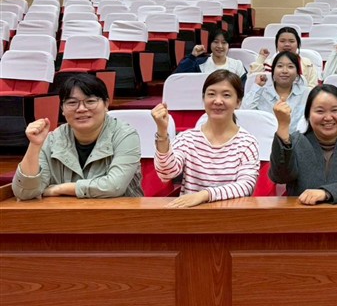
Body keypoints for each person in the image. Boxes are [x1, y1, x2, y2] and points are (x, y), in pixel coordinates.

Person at [13, 73, 143, 200]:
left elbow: (114, 186)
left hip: (119, 212)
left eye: (90, 101)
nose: (81, 109)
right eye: (72, 102)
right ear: (62, 109)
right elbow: (25, 193)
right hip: (63, 212)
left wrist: (60, 189)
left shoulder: (125, 136)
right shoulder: (52, 139)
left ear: (106, 104)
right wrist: (34, 145)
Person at [152, 70, 259, 208]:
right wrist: (162, 132)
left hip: (232, 216)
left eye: (226, 95)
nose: (218, 101)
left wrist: (204, 195)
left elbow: (246, 186)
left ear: (238, 102)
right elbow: (166, 173)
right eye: (211, 94)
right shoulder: (187, 139)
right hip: (192, 215)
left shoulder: (247, 143)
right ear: (203, 99)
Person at [269, 84, 337, 205]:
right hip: (303, 214)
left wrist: (326, 193)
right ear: (308, 115)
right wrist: (283, 126)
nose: (328, 117)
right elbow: (280, 177)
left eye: (335, 110)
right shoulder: (295, 142)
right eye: (320, 111)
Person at [243, 51, 309, 133]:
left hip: (298, 139)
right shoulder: (261, 93)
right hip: (267, 138)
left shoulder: (307, 93)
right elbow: (245, 113)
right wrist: (257, 87)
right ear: (273, 71)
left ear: (297, 73)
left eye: (290, 66)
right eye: (280, 66)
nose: (284, 71)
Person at [249, 26, 319, 85]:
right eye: (282, 41)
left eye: (291, 41)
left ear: (298, 44)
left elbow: (313, 87)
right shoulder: (267, 64)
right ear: (277, 44)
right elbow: (252, 82)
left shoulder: (307, 64)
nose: (287, 44)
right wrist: (261, 58)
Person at [176, 29, 246, 79]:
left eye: (224, 43)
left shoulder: (237, 65)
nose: (220, 46)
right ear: (210, 44)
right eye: (216, 42)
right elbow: (178, 76)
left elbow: (244, 88)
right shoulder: (200, 64)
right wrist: (192, 56)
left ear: (229, 46)